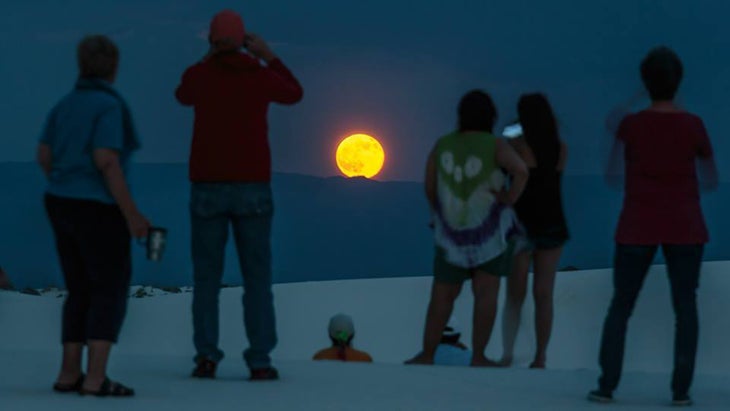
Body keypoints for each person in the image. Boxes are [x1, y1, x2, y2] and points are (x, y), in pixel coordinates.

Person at [175, 9, 303, 381]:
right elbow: (294, 92)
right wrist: (268, 55)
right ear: (244, 39)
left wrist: (209, 57)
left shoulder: (201, 76)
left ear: (212, 41)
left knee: (206, 279)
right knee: (257, 278)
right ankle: (260, 359)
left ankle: (206, 357)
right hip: (253, 189)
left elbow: (183, 93)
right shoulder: (259, 76)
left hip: (208, 188)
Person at [588, 46, 719, 406]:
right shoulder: (693, 125)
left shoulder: (631, 125)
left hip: (636, 224)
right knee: (685, 307)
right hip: (685, 225)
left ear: (646, 82)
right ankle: (681, 391)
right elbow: (710, 179)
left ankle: (607, 385)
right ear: (678, 81)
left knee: (621, 306)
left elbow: (612, 176)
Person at [38, 35, 150, 397]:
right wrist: (132, 214)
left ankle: (68, 373)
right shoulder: (108, 107)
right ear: (113, 68)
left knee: (78, 288)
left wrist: (65, 181)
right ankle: (95, 379)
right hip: (98, 208)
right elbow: (106, 159)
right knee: (108, 288)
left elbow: (44, 154)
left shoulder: (65, 105)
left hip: (60, 201)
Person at [405, 90, 528, 367]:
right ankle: (479, 356)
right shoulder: (495, 145)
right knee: (485, 293)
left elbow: (429, 184)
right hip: (488, 233)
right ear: (490, 116)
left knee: (442, 295)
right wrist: (509, 198)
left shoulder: (443, 145)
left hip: (450, 233)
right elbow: (521, 171)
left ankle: (427, 354)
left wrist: (437, 211)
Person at [499, 94, 569, 369]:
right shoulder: (560, 148)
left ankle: (508, 353)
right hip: (553, 221)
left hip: (521, 224)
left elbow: (519, 174)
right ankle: (541, 356)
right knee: (544, 294)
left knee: (515, 294)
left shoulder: (516, 146)